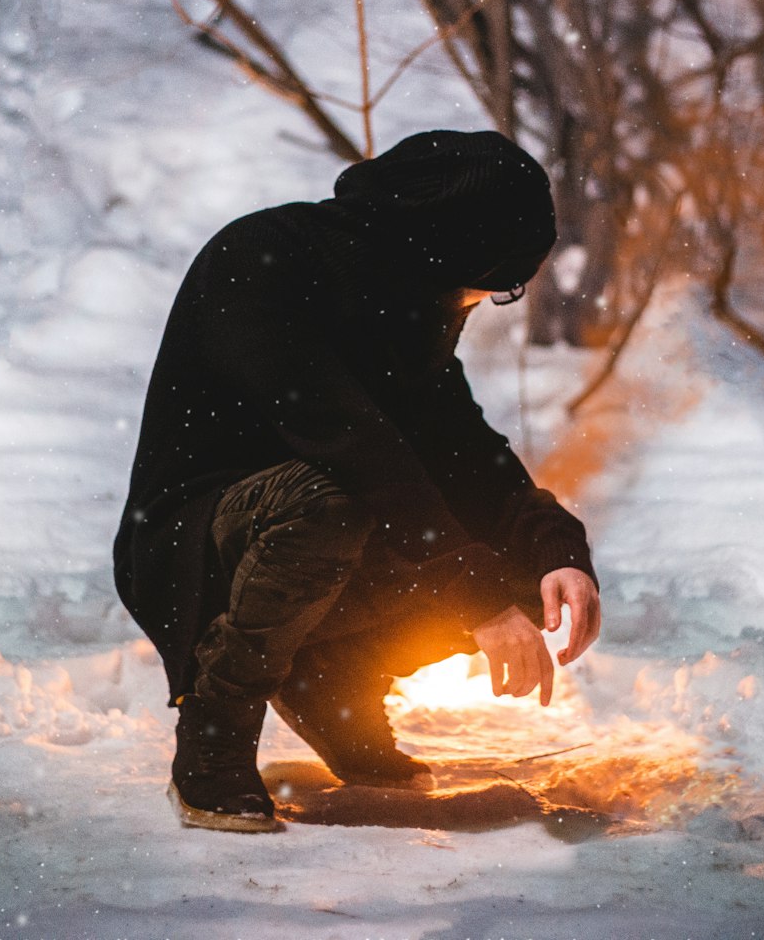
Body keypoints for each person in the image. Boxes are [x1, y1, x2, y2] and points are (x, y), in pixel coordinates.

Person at [113, 129, 601, 833]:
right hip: (200, 540)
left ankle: (330, 683)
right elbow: (353, 447)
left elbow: (466, 456)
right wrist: (480, 597)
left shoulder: (411, 308)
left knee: (524, 564)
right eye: (486, 287)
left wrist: (559, 550)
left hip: (331, 520)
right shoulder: (260, 261)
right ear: (442, 254)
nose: (475, 305)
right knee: (332, 506)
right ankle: (214, 737)